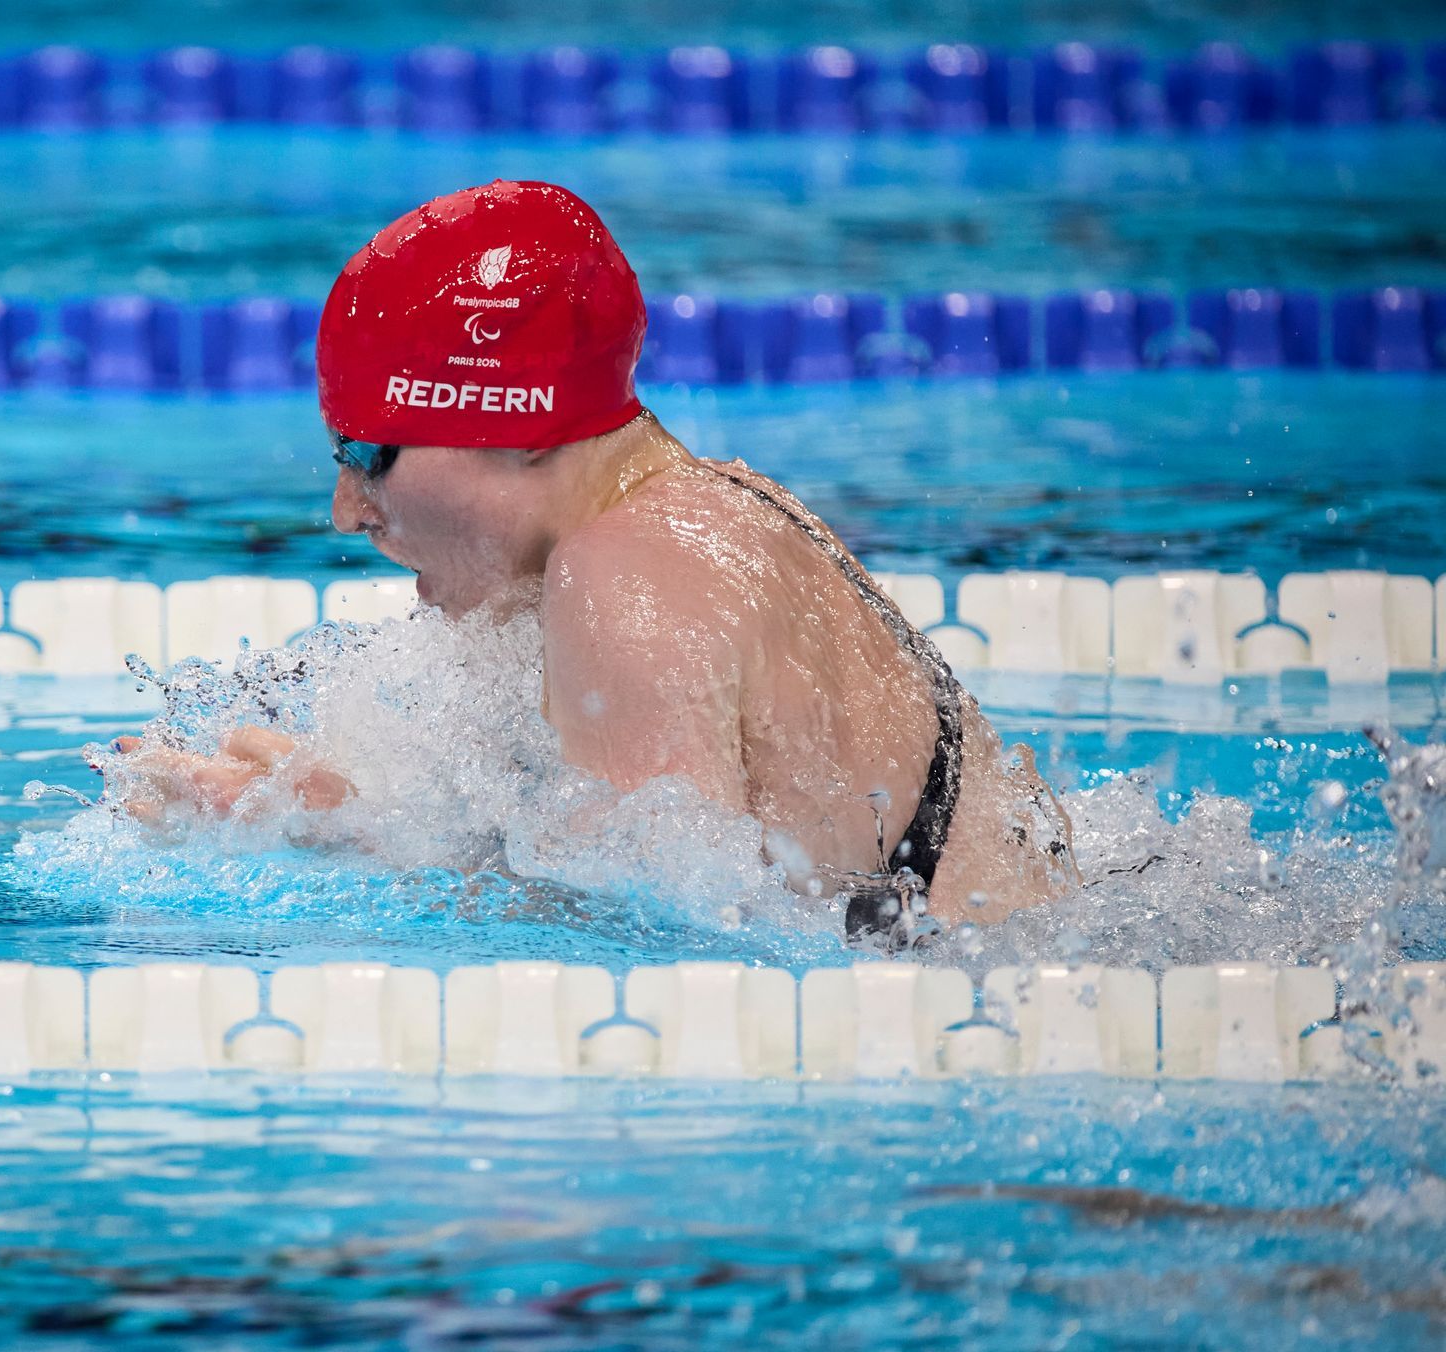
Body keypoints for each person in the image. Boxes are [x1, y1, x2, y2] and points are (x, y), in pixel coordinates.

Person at [97, 179, 1079, 938]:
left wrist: (341, 850)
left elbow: (659, 949)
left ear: (519, 426)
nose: (346, 511)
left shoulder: (625, 577)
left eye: (368, 455)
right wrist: (370, 812)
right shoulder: (718, 507)